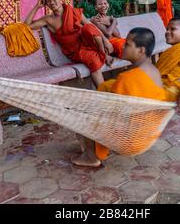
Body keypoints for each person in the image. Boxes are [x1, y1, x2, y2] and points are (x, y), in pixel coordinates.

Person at [71, 27, 167, 167]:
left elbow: (109, 111)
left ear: (140, 51)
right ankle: (91, 147)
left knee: (83, 112)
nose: (122, 46)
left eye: (127, 44)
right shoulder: (154, 71)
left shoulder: (127, 78)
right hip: (148, 135)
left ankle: (91, 157)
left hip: (129, 141)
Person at [24, 0, 114, 87]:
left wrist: (105, 40)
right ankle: (105, 94)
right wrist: (37, 6)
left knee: (88, 28)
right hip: (75, 51)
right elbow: (26, 26)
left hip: (86, 42)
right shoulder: (48, 20)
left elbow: (91, 26)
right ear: (46, 3)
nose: (52, 3)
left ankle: (103, 54)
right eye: (49, 1)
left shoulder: (73, 11)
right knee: (93, 60)